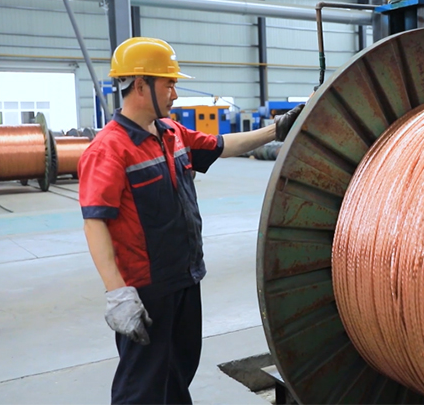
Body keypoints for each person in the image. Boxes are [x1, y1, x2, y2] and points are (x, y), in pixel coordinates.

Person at [77, 37, 304, 404]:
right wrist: (118, 294)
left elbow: (223, 146)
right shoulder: (109, 149)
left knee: (178, 373)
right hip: (147, 290)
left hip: (185, 279)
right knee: (142, 387)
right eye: (168, 84)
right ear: (140, 85)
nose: (175, 94)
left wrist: (276, 130)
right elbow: (95, 222)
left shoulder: (172, 134)